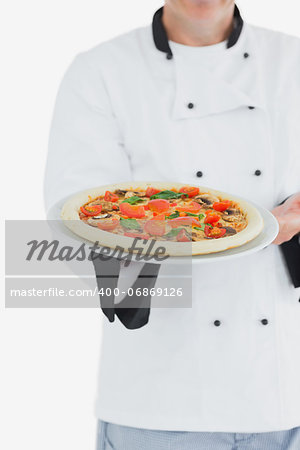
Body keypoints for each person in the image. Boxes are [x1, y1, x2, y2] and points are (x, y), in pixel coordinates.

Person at [44, 1, 300, 449]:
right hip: (160, 403)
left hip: (285, 394)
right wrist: (188, 228)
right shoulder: (102, 71)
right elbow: (76, 226)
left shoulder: (292, 61)